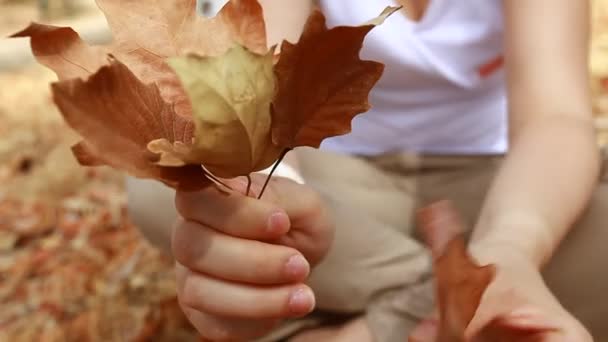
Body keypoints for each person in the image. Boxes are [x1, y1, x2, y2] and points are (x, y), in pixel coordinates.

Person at [127, 0, 606, 341]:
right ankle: (451, 307)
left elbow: (555, 117)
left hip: (500, 185)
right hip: (343, 187)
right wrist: (272, 211)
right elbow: (257, 106)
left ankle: (369, 322)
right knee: (172, 185)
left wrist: (511, 249)